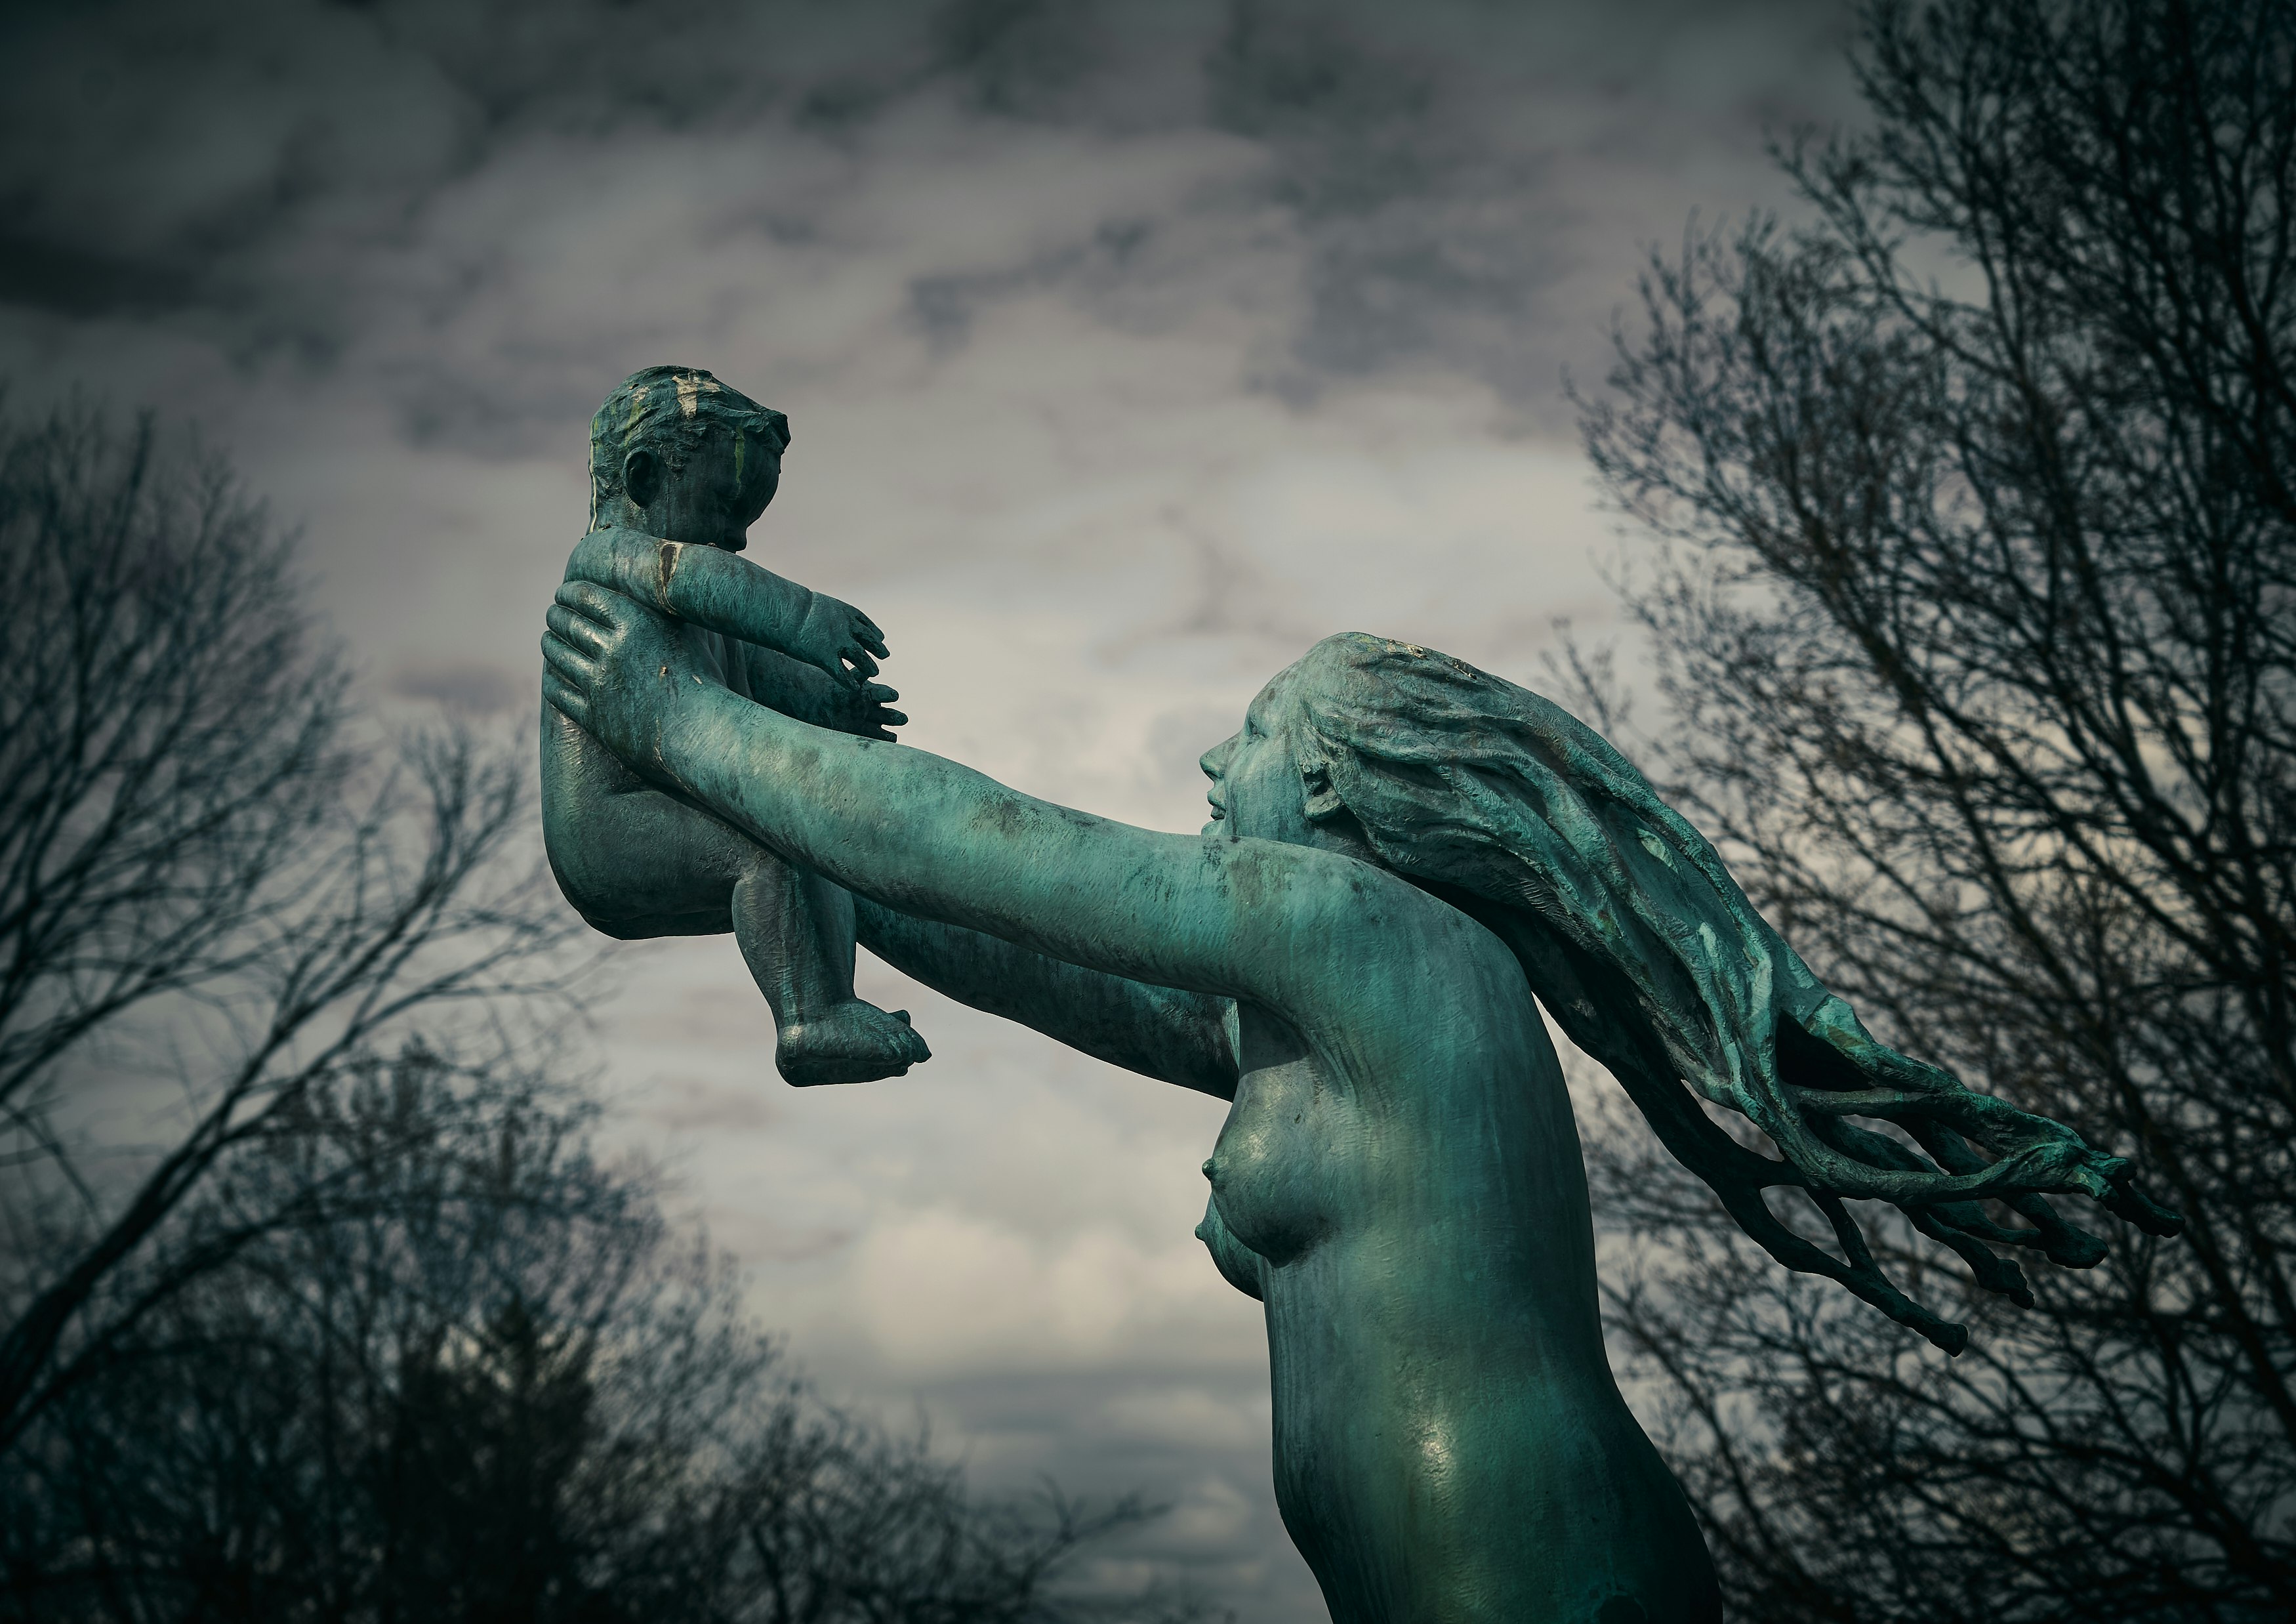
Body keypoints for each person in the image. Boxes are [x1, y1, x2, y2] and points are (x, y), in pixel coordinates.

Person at [542, 561, 2176, 1621]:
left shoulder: (1369, 932)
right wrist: (792, 831)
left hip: (1524, 1571)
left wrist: (671, 710)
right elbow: (978, 913)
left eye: (1249, 733)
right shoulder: (1321, 1010)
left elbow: (981, 844)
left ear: (1326, 783)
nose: (1208, 770)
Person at [542, 366, 931, 1085]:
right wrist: (806, 617)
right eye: (727, 506)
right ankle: (811, 1019)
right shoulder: (607, 561)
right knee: (770, 846)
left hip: (665, 807)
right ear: (644, 475)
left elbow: (762, 678)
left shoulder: (700, 611)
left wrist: (834, 704)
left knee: (808, 833)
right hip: (608, 828)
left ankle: (833, 1001)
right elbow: (703, 582)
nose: (737, 539)